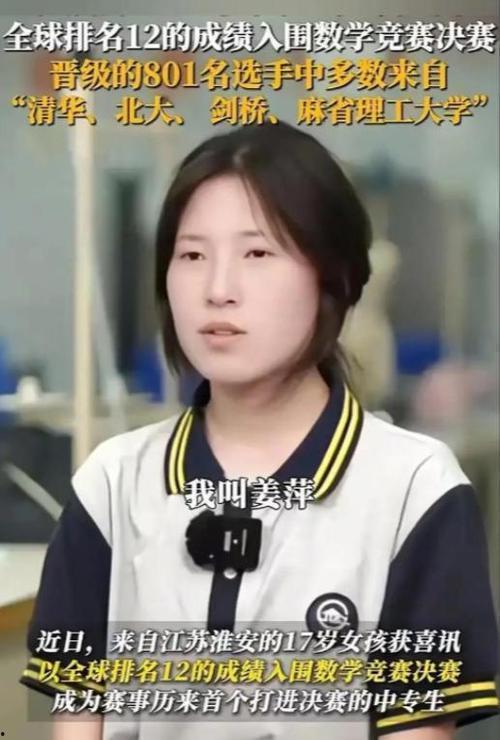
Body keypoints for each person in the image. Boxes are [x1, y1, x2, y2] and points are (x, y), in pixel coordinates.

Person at [20, 121, 499, 740]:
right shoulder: (113, 485)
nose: (218, 290)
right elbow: (78, 720)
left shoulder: (415, 492)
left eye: (257, 254)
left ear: (333, 277)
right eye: (192, 256)